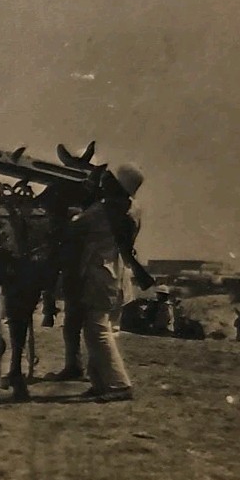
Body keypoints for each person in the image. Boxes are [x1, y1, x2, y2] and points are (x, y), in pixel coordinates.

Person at [71, 163, 146, 401]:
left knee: (97, 329)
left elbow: (76, 226)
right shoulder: (132, 209)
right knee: (106, 330)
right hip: (119, 273)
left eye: (108, 179)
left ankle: (119, 384)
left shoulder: (103, 211)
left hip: (101, 274)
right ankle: (101, 382)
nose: (104, 182)